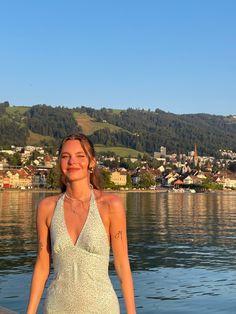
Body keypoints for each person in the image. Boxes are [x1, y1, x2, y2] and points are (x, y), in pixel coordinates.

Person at [27, 133, 136, 314]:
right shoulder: (47, 207)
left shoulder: (110, 205)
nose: (72, 162)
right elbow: (42, 266)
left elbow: (122, 265)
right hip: (56, 308)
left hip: (102, 308)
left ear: (91, 162)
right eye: (65, 156)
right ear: (59, 163)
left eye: (80, 156)